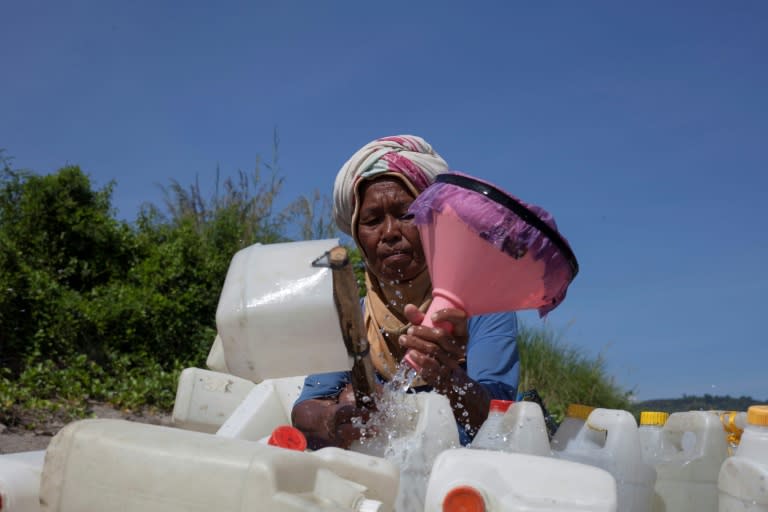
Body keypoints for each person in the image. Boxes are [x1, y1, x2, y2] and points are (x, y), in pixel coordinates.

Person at [291, 135, 519, 449]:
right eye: (372, 221)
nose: (390, 233)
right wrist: (337, 419)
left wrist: (449, 376)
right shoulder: (349, 319)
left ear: (434, 222)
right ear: (358, 236)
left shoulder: (483, 311)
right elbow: (307, 409)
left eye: (406, 213)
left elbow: (501, 423)